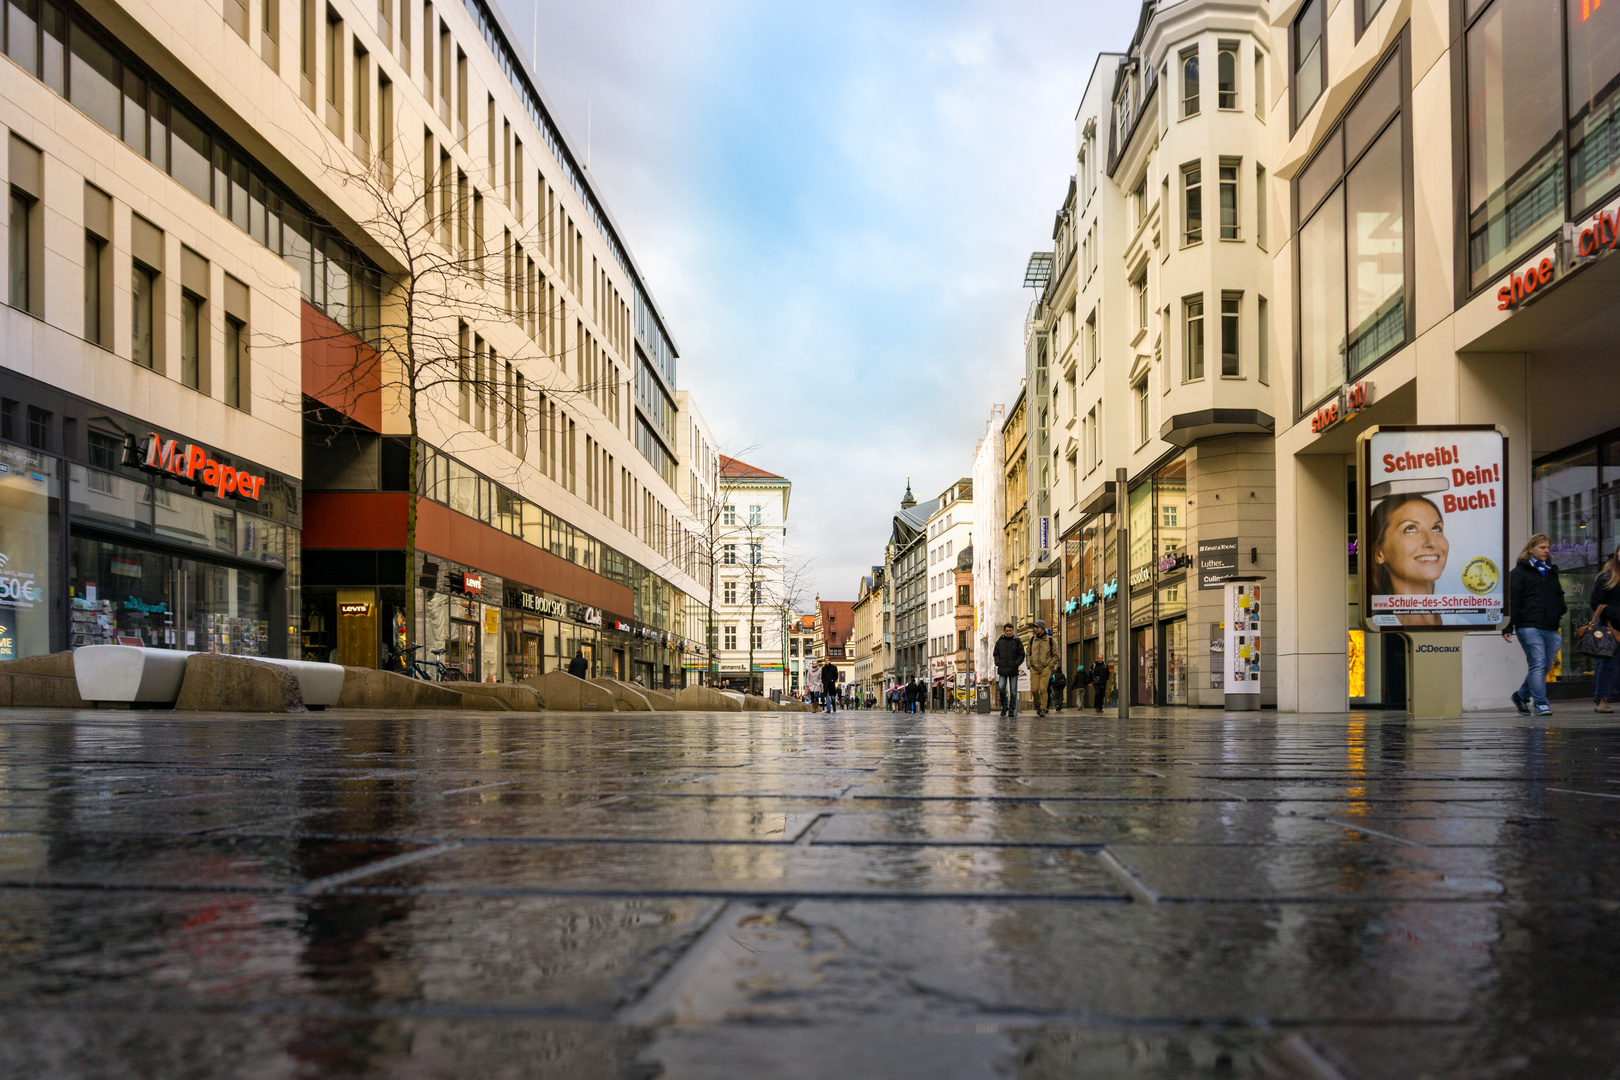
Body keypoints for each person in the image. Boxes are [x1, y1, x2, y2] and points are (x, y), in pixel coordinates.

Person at [1505, 533, 1565, 716]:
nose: (1546, 551)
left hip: (1551, 626)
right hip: (1529, 626)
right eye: (1542, 547)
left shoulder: (1552, 571)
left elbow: (1558, 595)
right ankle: (1540, 703)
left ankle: (1521, 695)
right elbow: (1513, 601)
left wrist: (1561, 609)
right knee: (1538, 663)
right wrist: (1508, 626)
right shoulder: (1518, 573)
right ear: (1530, 549)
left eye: (1548, 547)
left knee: (1545, 665)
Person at [1588, 549, 1620, 714]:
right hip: (1611, 628)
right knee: (1607, 663)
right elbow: (1596, 603)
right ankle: (1602, 699)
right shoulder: (1606, 577)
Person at [992, 623, 1025, 717]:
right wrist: (998, 662)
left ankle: (1011, 709)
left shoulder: (1017, 641)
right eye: (1007, 631)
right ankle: (1004, 706)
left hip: (1013, 669)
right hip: (1002, 668)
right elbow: (995, 653)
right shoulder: (1000, 641)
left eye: (1010, 631)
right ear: (1004, 631)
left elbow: (1021, 654)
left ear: (1013, 630)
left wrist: (1016, 663)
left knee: (1013, 691)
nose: (1009, 632)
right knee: (1001, 687)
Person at [1027, 622, 1058, 717]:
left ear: (1043, 628)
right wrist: (1029, 665)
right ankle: (1038, 704)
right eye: (1035, 627)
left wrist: (1050, 666)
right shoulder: (1032, 639)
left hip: (1046, 668)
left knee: (1043, 689)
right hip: (1034, 669)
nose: (1036, 629)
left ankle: (1043, 708)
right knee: (1035, 690)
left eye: (1037, 627)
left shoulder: (1050, 640)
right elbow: (1028, 653)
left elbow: (1056, 655)